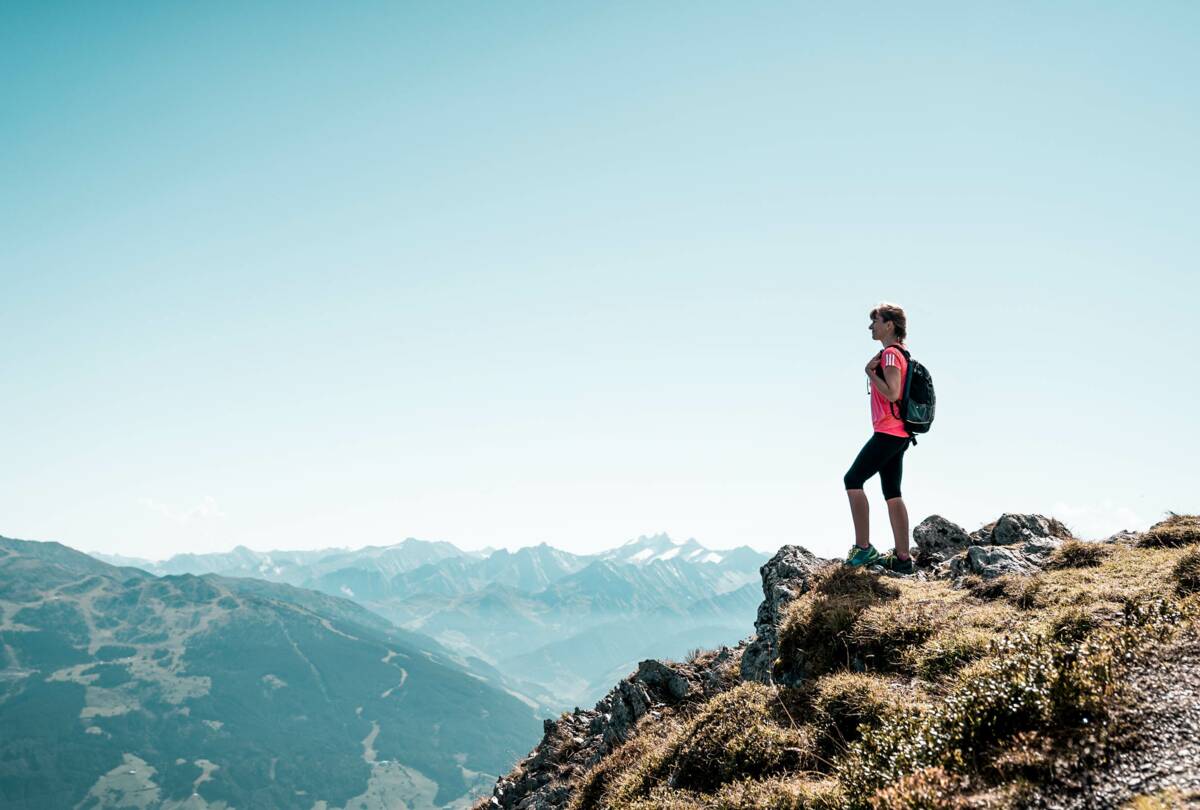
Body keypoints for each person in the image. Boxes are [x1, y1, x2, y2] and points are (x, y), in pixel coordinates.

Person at [843, 302, 914, 574]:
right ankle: (903, 559)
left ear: (889, 325)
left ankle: (863, 549)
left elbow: (893, 393)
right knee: (892, 492)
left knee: (852, 479)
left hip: (888, 431)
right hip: (900, 433)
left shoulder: (890, 356)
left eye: (875, 321)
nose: (870, 326)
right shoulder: (902, 353)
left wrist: (871, 373)